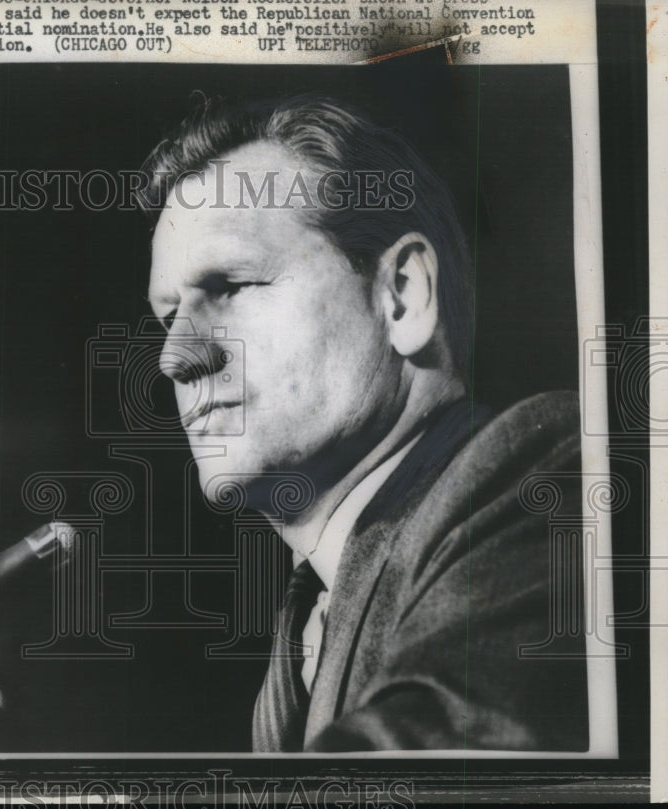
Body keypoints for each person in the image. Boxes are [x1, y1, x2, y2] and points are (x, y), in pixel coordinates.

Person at [138, 95, 589, 752]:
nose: (174, 357)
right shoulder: (303, 632)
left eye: (229, 285)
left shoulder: (544, 473)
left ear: (400, 296)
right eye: (167, 315)